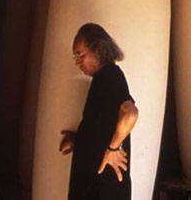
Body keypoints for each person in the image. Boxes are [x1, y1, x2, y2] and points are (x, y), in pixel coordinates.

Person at [59, 23, 139, 200]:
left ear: (99, 50)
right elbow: (102, 125)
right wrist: (81, 140)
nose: (78, 63)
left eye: (80, 55)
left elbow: (130, 113)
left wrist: (114, 148)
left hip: (105, 189)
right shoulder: (102, 80)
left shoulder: (111, 76)